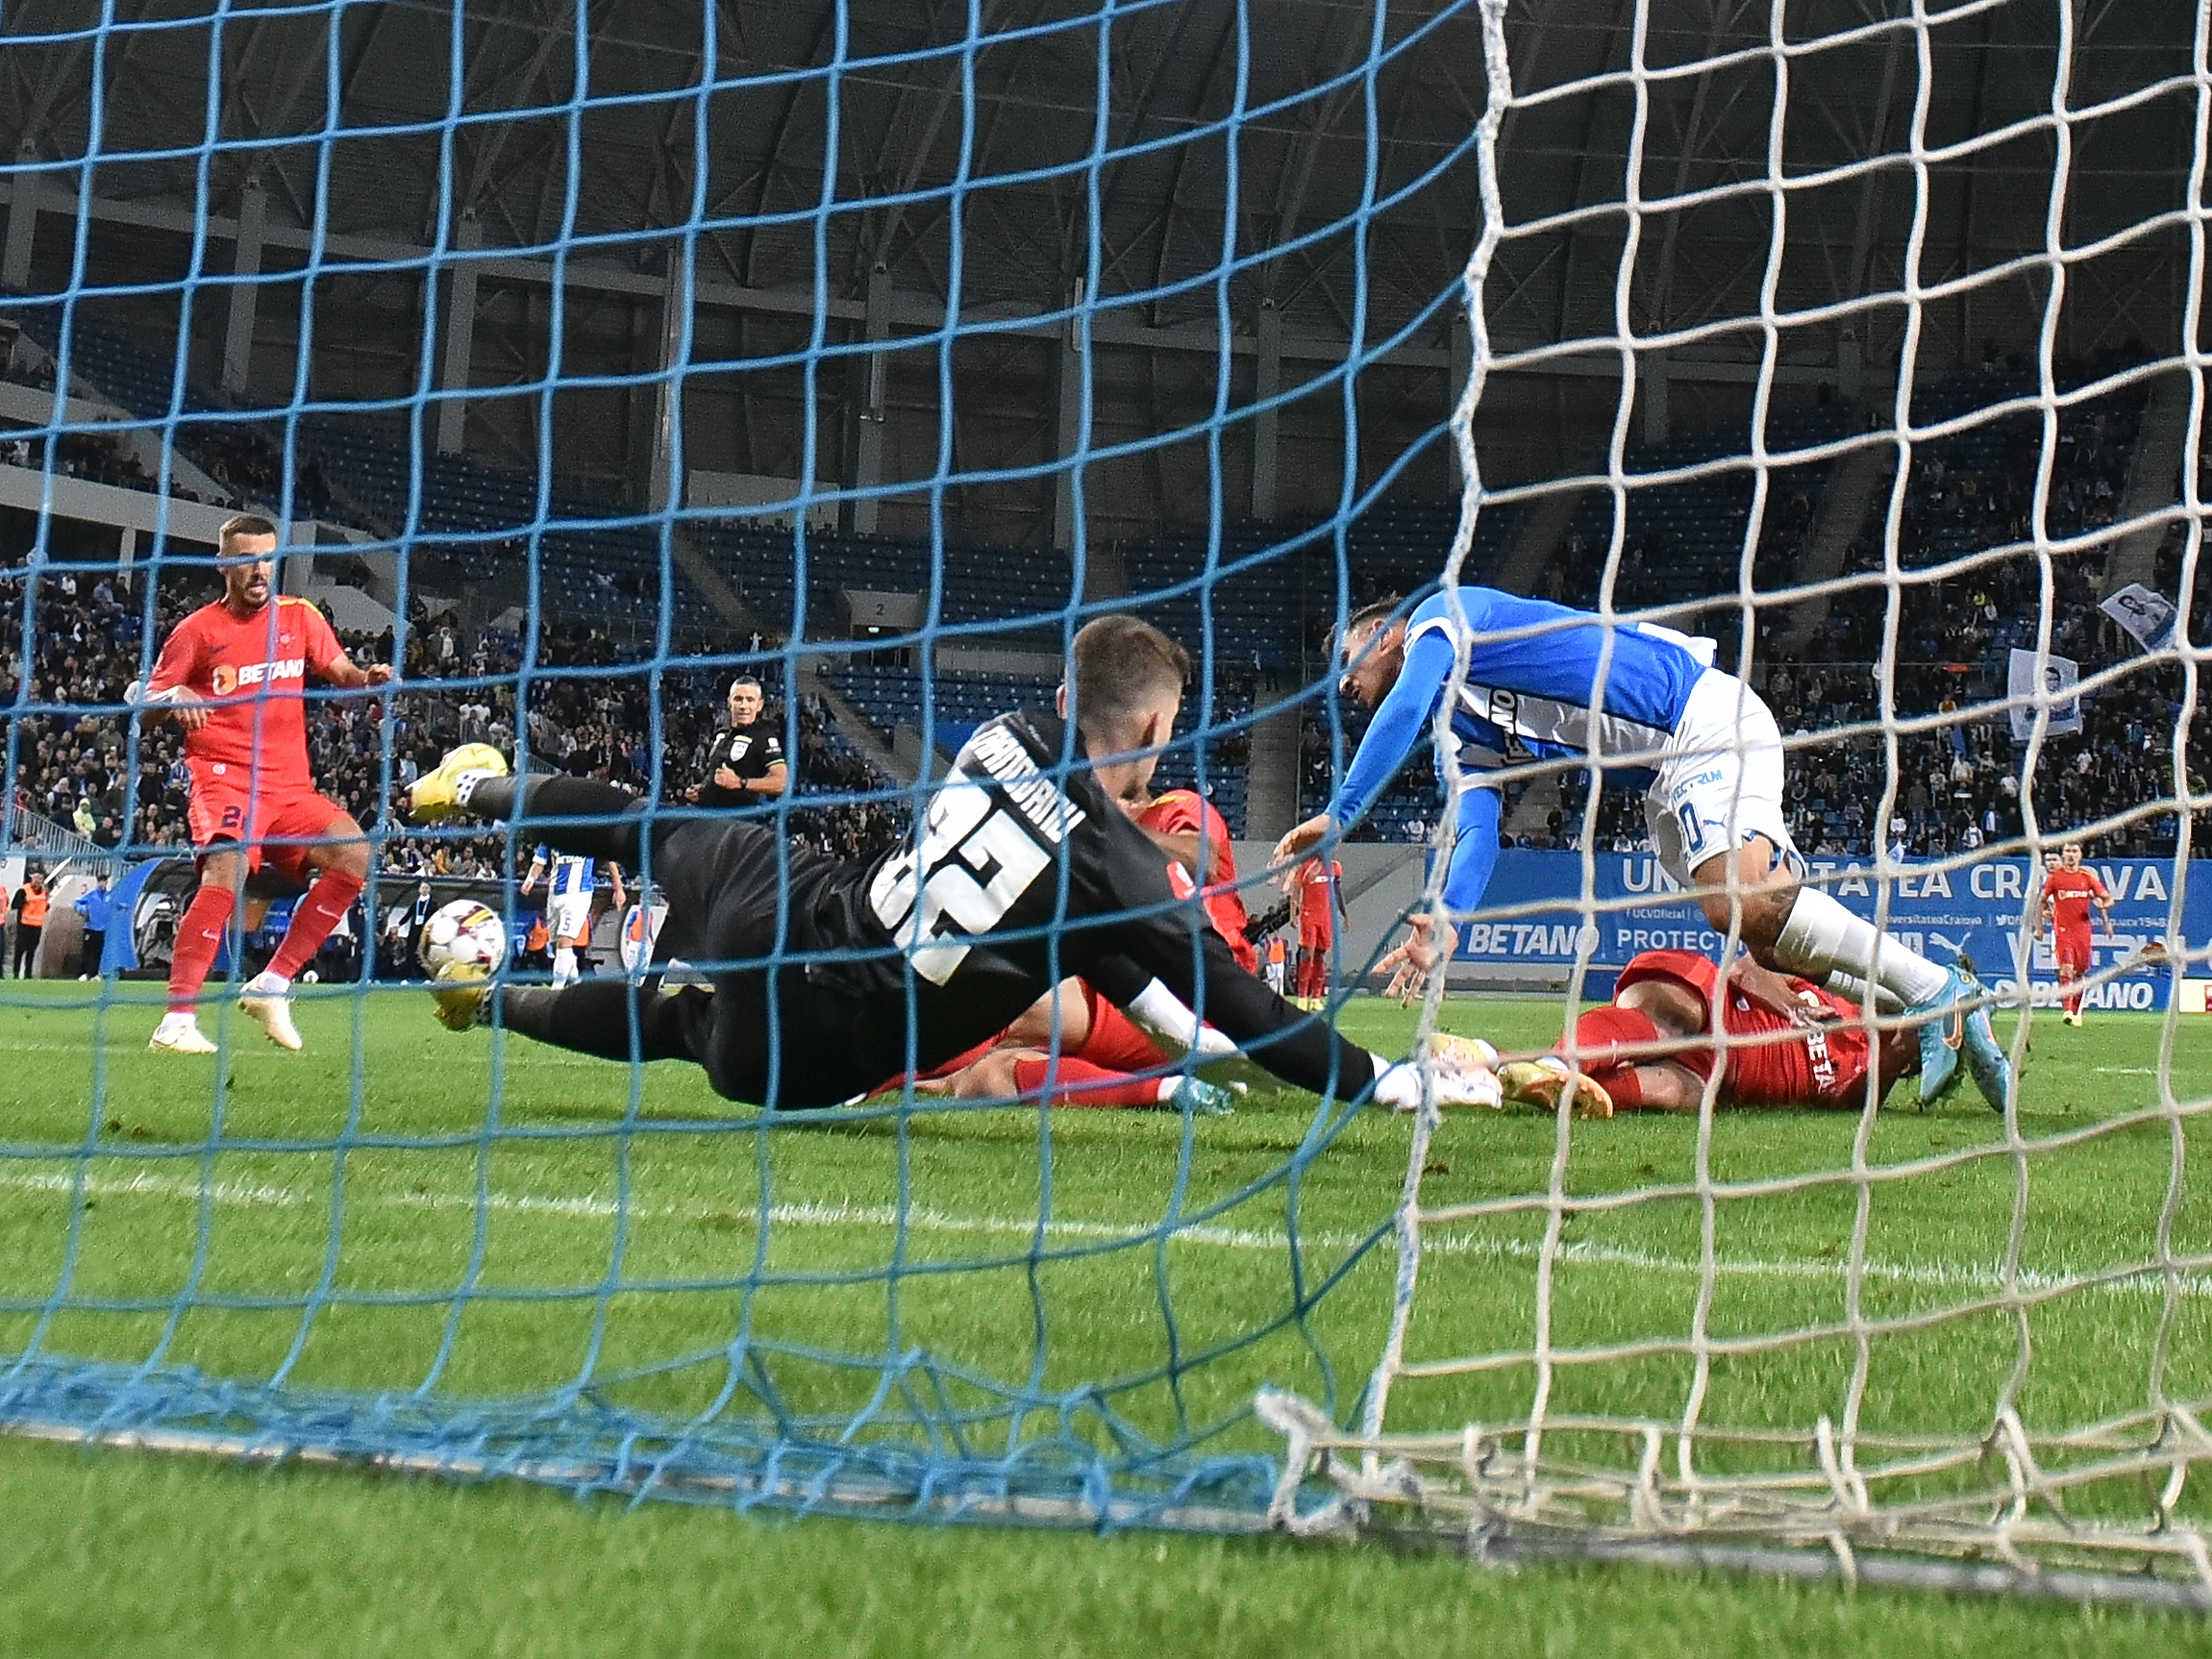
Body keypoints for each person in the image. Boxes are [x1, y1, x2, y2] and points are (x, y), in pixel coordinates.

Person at [404, 614, 1503, 1115]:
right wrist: (1379, 1078)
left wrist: (1175, 1037)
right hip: (816, 1048)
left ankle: (474, 787)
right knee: (677, 1033)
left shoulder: (1003, 731)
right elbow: (1236, 1002)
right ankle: (492, 1002)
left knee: (654, 830)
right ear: (1158, 729)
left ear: (1070, 696)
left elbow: (1117, 961)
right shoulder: (1113, 867)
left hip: (790, 905)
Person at [1271, 588, 2010, 1111]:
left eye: (1351, 656)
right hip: (1664, 775)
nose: (1344, 679)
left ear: (1390, 632)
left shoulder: (1445, 616)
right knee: (1766, 940)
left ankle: (1930, 992)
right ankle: (1926, 1003)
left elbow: (1402, 701)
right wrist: (1452, 918)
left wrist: (1339, 814)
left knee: (1739, 902)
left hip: (1697, 715)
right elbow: (1474, 828)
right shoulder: (1458, 736)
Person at [141, 513, 395, 1053]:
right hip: (225, 780)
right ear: (224, 564)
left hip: (289, 789)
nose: (259, 570)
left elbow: (339, 670)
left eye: (267, 558)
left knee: (354, 855)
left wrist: (366, 678)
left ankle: (272, 985)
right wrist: (173, 697)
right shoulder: (197, 631)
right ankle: (177, 1021)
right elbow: (144, 706)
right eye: (247, 559)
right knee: (226, 871)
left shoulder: (300, 617)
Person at [1495, 949, 1922, 1116]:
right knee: (1667, 1026)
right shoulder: (1839, 988)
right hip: (1717, 1005)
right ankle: (1557, 1062)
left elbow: (1850, 1108)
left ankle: (1506, 1074)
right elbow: (1747, 968)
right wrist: (1791, 1005)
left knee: (1676, 1093)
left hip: (1718, 1075)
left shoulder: (1869, 1078)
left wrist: (1898, 1054)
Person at [522, 846, 626, 987]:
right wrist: (530, 879)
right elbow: (539, 862)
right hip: (555, 894)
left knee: (564, 940)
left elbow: (609, 859)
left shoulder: (587, 834)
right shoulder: (550, 834)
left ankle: (557, 989)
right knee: (555, 945)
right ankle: (575, 980)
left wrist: (618, 888)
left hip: (579, 894)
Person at [2039, 840, 2113, 1028]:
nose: (2071, 854)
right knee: (2066, 968)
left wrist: (2104, 908)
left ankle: (2075, 1012)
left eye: (2074, 851)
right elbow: (2041, 901)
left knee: (2080, 973)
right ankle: (2067, 1011)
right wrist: (2040, 927)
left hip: (2083, 932)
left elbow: (2107, 899)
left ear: (2080, 855)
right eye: (2067, 851)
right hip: (2063, 931)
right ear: (2063, 855)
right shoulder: (2055, 878)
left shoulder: (2086, 877)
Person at [687, 675, 788, 808]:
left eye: (750, 700)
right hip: (708, 818)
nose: (743, 706)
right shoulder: (721, 734)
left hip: (736, 823)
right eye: (738, 699)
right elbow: (720, 777)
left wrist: (741, 783)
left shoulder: (763, 737)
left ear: (759, 705)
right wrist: (703, 789)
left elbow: (782, 783)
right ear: (729, 702)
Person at [1292, 854, 1343, 1007]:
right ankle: (1302, 997)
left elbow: (1337, 892)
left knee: (1320, 956)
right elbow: (1296, 889)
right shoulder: (1306, 866)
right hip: (1309, 914)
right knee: (1308, 954)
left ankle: (1316, 997)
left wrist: (1344, 914)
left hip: (1325, 916)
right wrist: (1293, 913)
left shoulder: (1335, 867)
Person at [74, 873, 112, 980]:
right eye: (100, 881)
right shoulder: (91, 894)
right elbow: (77, 903)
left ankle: (94, 973)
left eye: (104, 881)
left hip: (102, 928)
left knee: (98, 952)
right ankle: (83, 973)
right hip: (90, 927)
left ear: (106, 883)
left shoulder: (109, 896)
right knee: (87, 951)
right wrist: (83, 910)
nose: (102, 884)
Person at [12, 872, 48, 978]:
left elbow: (45, 907)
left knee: (31, 951)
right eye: (35, 878)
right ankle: (16, 973)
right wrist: (24, 901)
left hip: (37, 926)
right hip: (24, 926)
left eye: (40, 879)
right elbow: (14, 905)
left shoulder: (44, 893)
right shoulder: (23, 890)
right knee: (19, 951)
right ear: (31, 879)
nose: (37, 881)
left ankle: (28, 974)